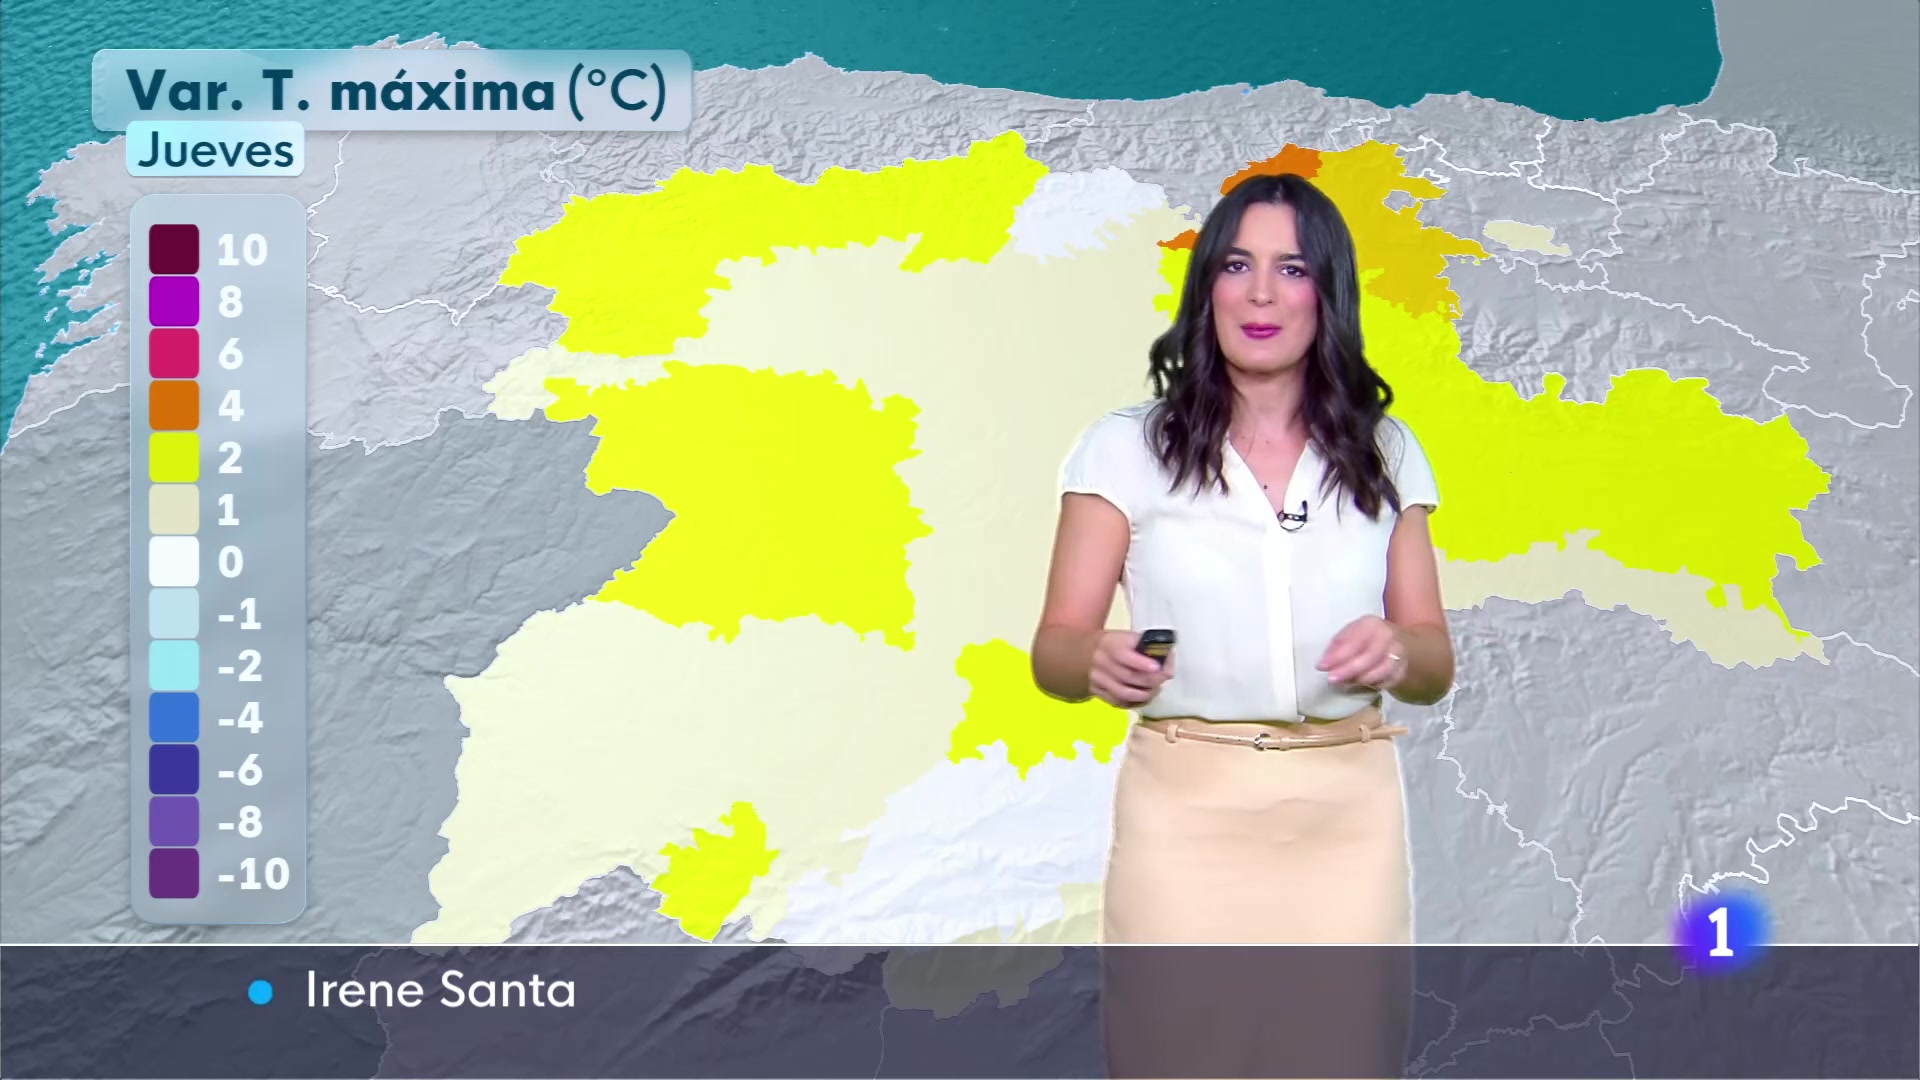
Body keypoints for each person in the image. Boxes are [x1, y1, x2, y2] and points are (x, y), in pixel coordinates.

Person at [1029, 171, 1455, 1077]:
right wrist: (1093, 658)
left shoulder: (1386, 453)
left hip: (1347, 818)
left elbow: (1432, 663)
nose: (1261, 293)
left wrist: (1396, 648)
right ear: (1207, 288)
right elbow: (1055, 652)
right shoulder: (1122, 450)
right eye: (1237, 265)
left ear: (1326, 293)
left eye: (1292, 268)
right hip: (1185, 818)